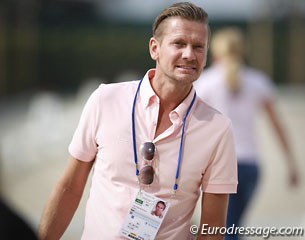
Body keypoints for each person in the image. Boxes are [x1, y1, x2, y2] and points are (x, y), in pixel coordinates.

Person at [39, 3, 238, 240]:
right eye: (179, 43)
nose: (189, 54)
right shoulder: (105, 99)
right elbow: (70, 188)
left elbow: (212, 229)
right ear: (155, 48)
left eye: (198, 47)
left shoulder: (218, 128)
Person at [194, 27, 299, 240]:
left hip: (219, 165)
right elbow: (277, 126)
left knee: (224, 230)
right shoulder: (258, 81)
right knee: (232, 227)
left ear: (214, 51)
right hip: (251, 166)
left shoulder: (204, 83)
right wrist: (291, 163)